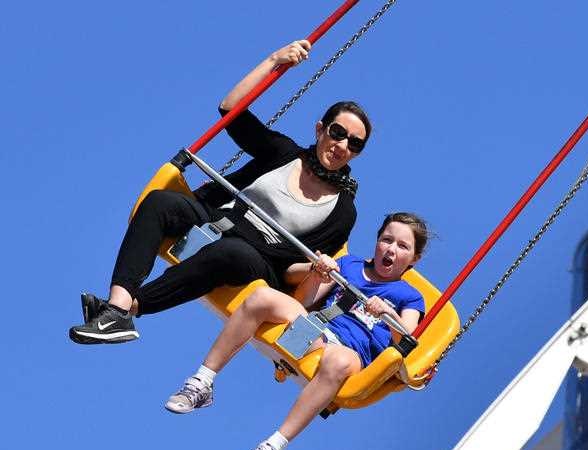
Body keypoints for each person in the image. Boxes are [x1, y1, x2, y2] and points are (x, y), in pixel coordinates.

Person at [69, 39, 371, 344]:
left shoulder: (342, 211)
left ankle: (133, 309)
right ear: (320, 129)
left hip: (259, 258)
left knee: (230, 252)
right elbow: (230, 110)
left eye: (354, 144)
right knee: (160, 201)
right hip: (218, 216)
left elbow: (292, 271)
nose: (342, 146)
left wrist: (313, 269)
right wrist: (274, 60)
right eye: (338, 133)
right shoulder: (284, 153)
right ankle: (117, 305)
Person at [164, 213, 430, 450]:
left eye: (402, 246)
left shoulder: (409, 297)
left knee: (338, 361)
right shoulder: (349, 265)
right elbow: (302, 302)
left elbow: (405, 341)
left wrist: (387, 313)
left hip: (349, 353)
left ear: (414, 259)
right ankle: (201, 382)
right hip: (317, 333)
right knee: (262, 297)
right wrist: (317, 274)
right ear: (377, 240)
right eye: (387, 239)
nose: (391, 249)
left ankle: (275, 443)